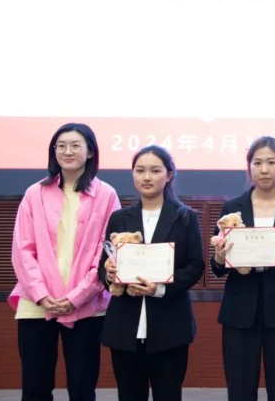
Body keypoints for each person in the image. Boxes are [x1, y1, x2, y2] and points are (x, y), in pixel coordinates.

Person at [9, 122, 120, 401]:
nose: (67, 151)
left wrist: (76, 297)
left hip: (86, 305)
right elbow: (22, 250)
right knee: (35, 387)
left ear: (91, 152)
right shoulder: (34, 193)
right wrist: (41, 294)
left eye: (75, 145)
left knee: (82, 388)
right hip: (36, 303)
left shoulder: (107, 194)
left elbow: (107, 252)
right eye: (61, 146)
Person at [211, 136, 275, 401]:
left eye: (271, 162)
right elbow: (217, 266)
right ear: (249, 167)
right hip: (239, 309)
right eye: (257, 163)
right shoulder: (231, 207)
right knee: (240, 390)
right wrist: (220, 257)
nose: (264, 169)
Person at [99, 145, 204, 401]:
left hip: (170, 327)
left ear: (169, 175)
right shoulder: (119, 218)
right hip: (125, 327)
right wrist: (108, 273)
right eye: (140, 170)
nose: (147, 177)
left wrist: (160, 289)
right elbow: (105, 264)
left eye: (155, 171)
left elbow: (195, 265)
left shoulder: (185, 217)